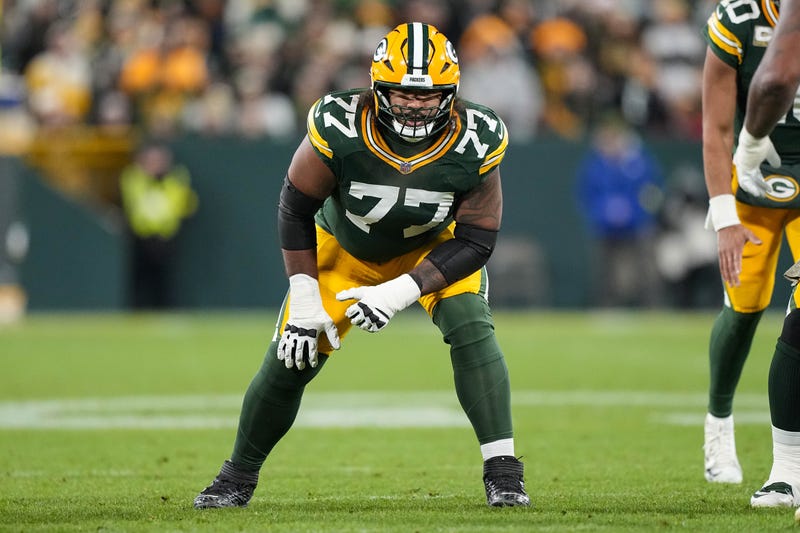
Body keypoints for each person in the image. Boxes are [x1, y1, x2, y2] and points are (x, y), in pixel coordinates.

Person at [193, 22, 530, 509]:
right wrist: (305, 300)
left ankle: (504, 473)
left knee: (470, 324)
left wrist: (399, 292)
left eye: (428, 95)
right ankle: (236, 477)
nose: (415, 105)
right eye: (403, 93)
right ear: (377, 88)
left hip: (431, 250)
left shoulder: (475, 136)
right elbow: (295, 208)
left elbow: (478, 238)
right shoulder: (342, 124)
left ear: (451, 93)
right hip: (343, 250)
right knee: (293, 355)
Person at [701, 0, 800, 486]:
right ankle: (718, 423)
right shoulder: (740, 17)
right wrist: (724, 217)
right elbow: (717, 126)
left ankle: (788, 465)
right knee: (743, 309)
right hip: (752, 176)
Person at [575, 113, 664, 308]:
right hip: (605, 227)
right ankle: (606, 308)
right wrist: (605, 213)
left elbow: (652, 192)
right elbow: (586, 196)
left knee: (646, 269)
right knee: (604, 272)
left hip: (637, 225)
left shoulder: (639, 163)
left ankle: (651, 308)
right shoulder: (594, 166)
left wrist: (634, 213)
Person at [119, 141, 198, 309]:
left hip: (166, 238)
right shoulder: (134, 179)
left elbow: (186, 204)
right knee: (140, 281)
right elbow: (132, 200)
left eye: (159, 160)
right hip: (141, 237)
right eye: (151, 160)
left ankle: (166, 312)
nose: (155, 164)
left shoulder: (175, 181)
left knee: (166, 282)